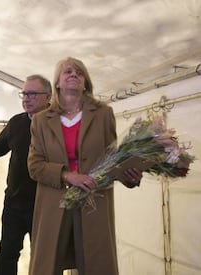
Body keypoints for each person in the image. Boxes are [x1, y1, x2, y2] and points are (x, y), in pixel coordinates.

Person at [27, 57, 143, 275]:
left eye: (79, 73)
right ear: (58, 83)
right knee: (48, 264)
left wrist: (129, 175)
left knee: (96, 263)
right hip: (54, 204)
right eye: (67, 72)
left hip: (94, 200)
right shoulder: (41, 120)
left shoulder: (103, 114)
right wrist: (68, 175)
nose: (73, 75)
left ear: (86, 82)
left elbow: (112, 157)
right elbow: (35, 165)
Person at [0, 74, 51, 275]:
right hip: (14, 203)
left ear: (48, 96)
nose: (26, 98)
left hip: (44, 204)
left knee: (44, 258)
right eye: (24, 93)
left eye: (32, 93)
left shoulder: (57, 124)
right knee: (7, 254)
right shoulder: (16, 122)